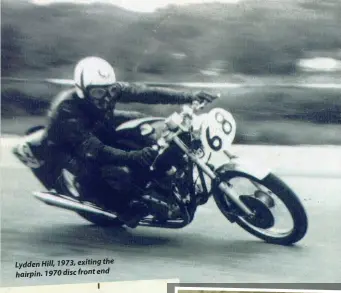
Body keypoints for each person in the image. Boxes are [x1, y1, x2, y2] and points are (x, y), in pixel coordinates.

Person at [33, 56, 218, 227]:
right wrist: (133, 156)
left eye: (110, 90)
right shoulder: (68, 111)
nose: (106, 97)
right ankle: (122, 209)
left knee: (141, 122)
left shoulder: (107, 91)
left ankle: (160, 174)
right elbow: (95, 148)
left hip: (97, 123)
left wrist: (189, 96)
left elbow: (147, 93)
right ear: (83, 91)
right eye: (98, 92)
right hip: (66, 145)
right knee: (95, 168)